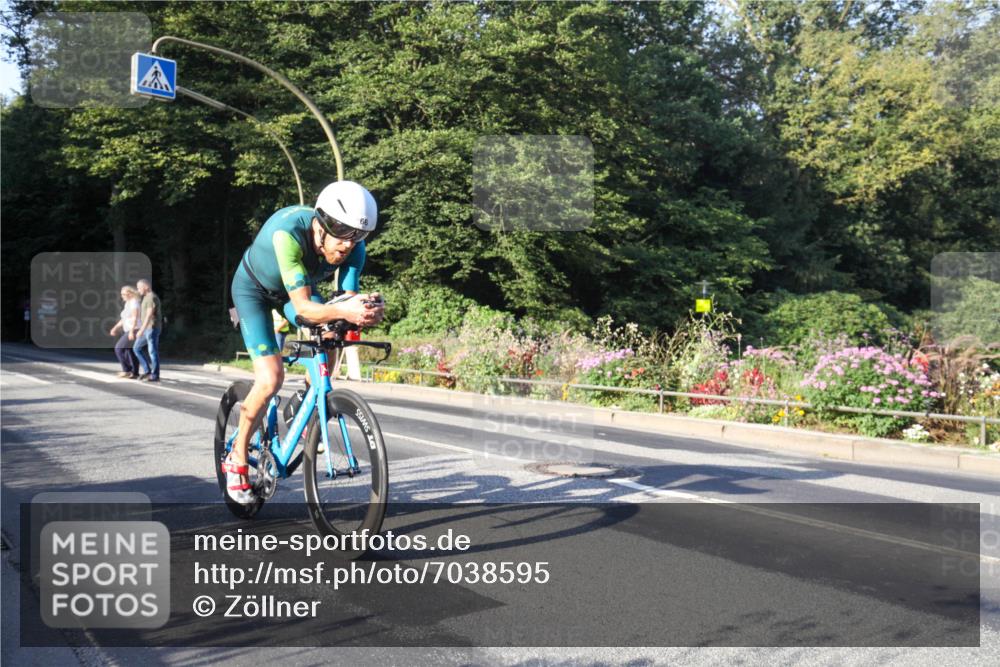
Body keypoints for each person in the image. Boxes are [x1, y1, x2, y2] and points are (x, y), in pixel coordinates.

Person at [225, 181, 384, 504]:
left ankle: (307, 403)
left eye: (357, 235)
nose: (347, 244)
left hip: (295, 292)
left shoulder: (355, 248)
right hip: (254, 290)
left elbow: (345, 300)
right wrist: (343, 309)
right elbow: (302, 309)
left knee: (333, 332)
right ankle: (237, 458)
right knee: (271, 378)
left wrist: (363, 310)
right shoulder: (288, 235)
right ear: (321, 222)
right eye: (341, 230)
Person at [133, 278, 162, 382]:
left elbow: (149, 314)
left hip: (151, 328)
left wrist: (142, 329)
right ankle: (147, 371)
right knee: (136, 348)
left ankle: (155, 375)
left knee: (152, 352)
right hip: (146, 329)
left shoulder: (151, 297)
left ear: (146, 287)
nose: (138, 290)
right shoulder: (145, 297)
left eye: (139, 287)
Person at [109, 285, 141, 378]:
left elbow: (135, 318)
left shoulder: (134, 302)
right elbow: (123, 319)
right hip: (128, 329)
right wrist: (115, 328)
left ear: (130, 294)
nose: (122, 296)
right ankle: (134, 372)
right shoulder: (128, 303)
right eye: (121, 294)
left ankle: (126, 370)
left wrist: (131, 331)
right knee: (129, 351)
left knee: (118, 348)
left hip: (134, 329)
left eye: (124, 294)